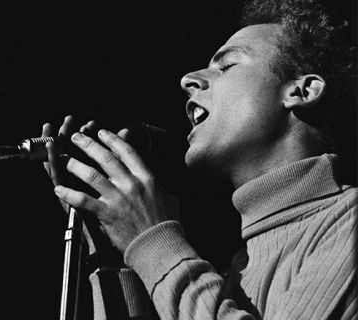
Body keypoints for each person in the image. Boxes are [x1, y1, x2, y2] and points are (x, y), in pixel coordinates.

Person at [40, 0, 357, 319]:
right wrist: (115, 249)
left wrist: (154, 240)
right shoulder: (239, 268)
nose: (188, 79)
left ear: (302, 91)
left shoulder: (348, 223)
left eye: (227, 65)